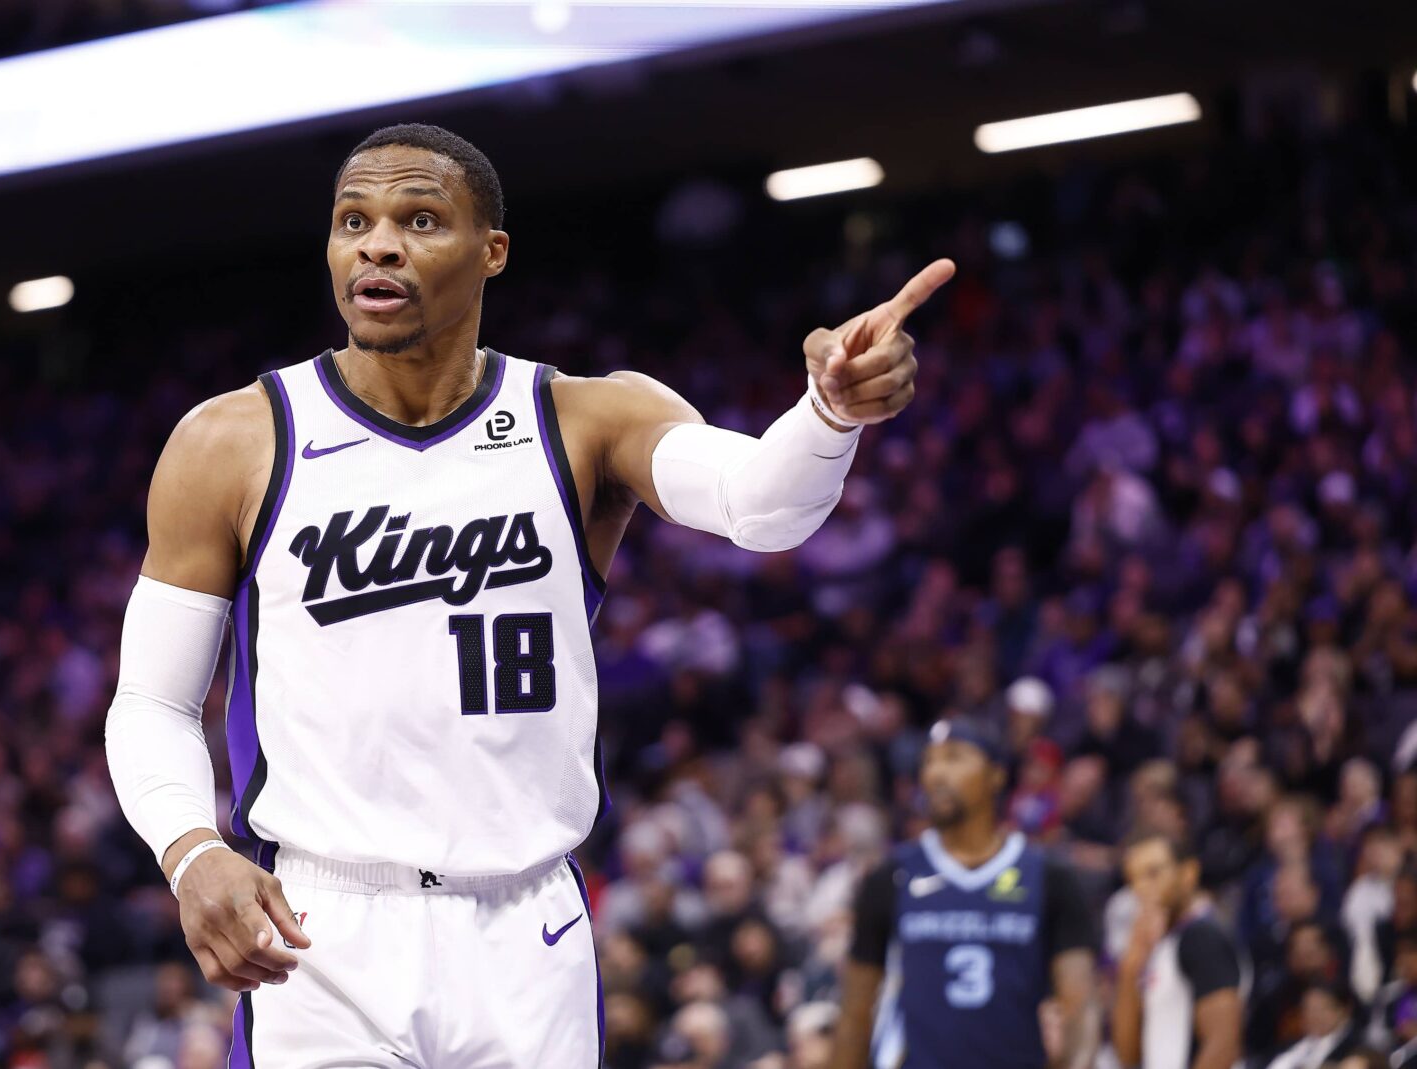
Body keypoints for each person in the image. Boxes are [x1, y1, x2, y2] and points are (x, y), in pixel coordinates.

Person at [102, 121, 953, 1068]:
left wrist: (830, 411)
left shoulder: (584, 416)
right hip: (322, 926)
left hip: (527, 926)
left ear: (490, 250)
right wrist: (190, 849)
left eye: (419, 219)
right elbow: (152, 699)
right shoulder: (233, 440)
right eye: (354, 221)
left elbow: (762, 505)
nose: (378, 243)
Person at [834, 721, 1101, 1069]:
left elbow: (1079, 1011)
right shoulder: (892, 876)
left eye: (955, 758)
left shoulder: (1050, 877)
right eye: (929, 761)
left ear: (996, 776)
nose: (936, 773)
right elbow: (855, 1014)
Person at [1114, 830, 1244, 1069]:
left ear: (1188, 873)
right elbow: (1128, 1054)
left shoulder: (1202, 937)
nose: (1142, 887)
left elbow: (1222, 1046)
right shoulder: (1162, 944)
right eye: (1133, 879)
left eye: (1153, 873)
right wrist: (1131, 964)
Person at [1262, 980, 1360, 1069]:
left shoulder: (1355, 1050)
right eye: (1307, 1009)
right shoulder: (1290, 1044)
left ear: (1343, 1010)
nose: (1313, 1016)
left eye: (1320, 1009)